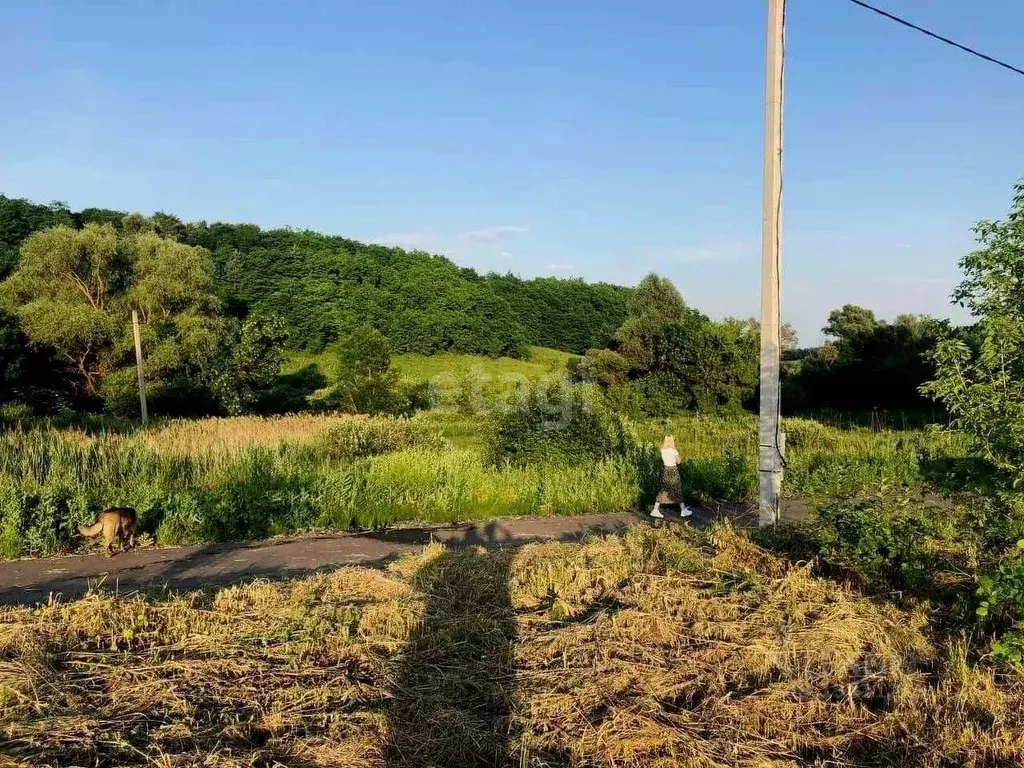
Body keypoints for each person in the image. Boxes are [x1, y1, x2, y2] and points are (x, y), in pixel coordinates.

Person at [650, 435, 693, 519]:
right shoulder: (674, 451)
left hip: (666, 470)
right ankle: (683, 510)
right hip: (673, 471)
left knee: (663, 489)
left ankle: (655, 509)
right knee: (677, 489)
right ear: (671, 441)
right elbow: (679, 461)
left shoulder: (662, 450)